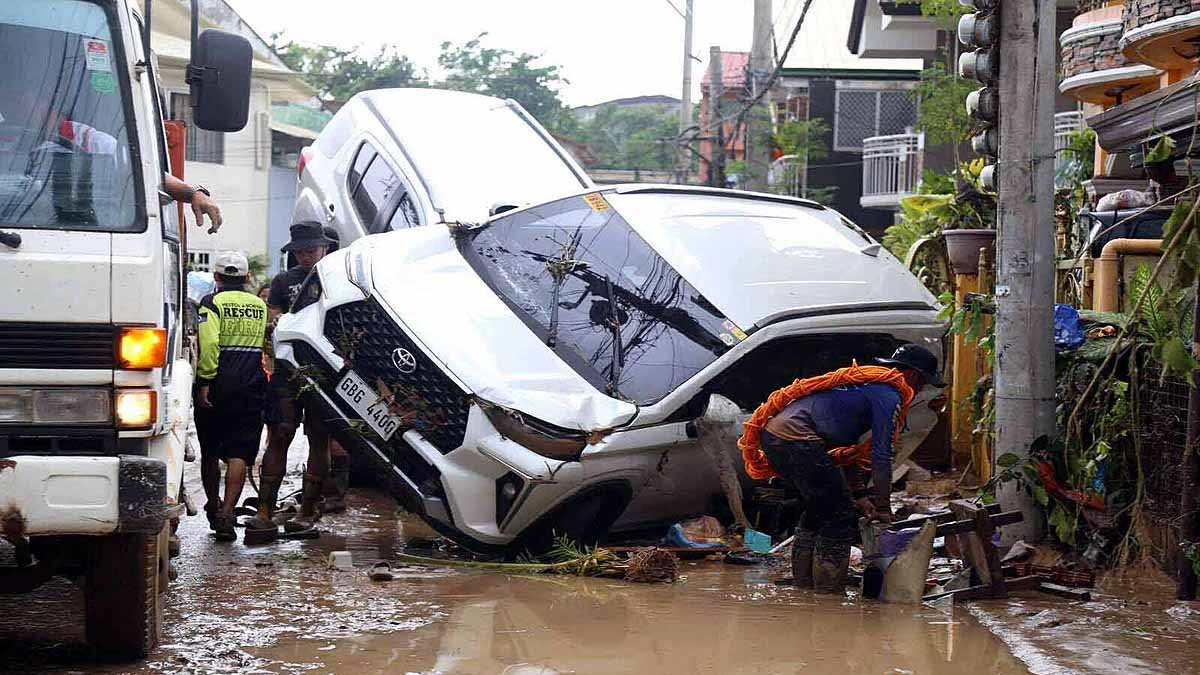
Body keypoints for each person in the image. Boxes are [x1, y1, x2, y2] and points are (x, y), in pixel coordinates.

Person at [737, 344, 944, 593]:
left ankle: (805, 586)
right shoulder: (889, 395)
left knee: (817, 509)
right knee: (839, 514)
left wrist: (860, 495)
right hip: (799, 439)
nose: (918, 390)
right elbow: (881, 455)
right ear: (912, 375)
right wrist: (883, 508)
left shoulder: (866, 386)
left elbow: (847, 454)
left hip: (775, 437)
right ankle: (828, 592)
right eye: (921, 384)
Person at [246, 222, 339, 541]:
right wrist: (271, 351)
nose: (306, 255)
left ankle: (309, 510)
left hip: (324, 372)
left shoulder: (336, 278)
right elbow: (271, 322)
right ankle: (264, 511)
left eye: (311, 249)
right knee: (281, 434)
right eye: (300, 250)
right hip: (288, 369)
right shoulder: (283, 281)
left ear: (324, 248)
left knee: (318, 436)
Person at [194, 251, 268, 541]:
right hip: (251, 383)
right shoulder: (259, 305)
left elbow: (210, 343)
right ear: (246, 278)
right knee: (239, 452)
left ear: (217, 277)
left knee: (210, 449)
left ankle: (212, 507)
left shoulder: (211, 303)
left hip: (218, 384)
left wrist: (205, 380)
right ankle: (228, 511)